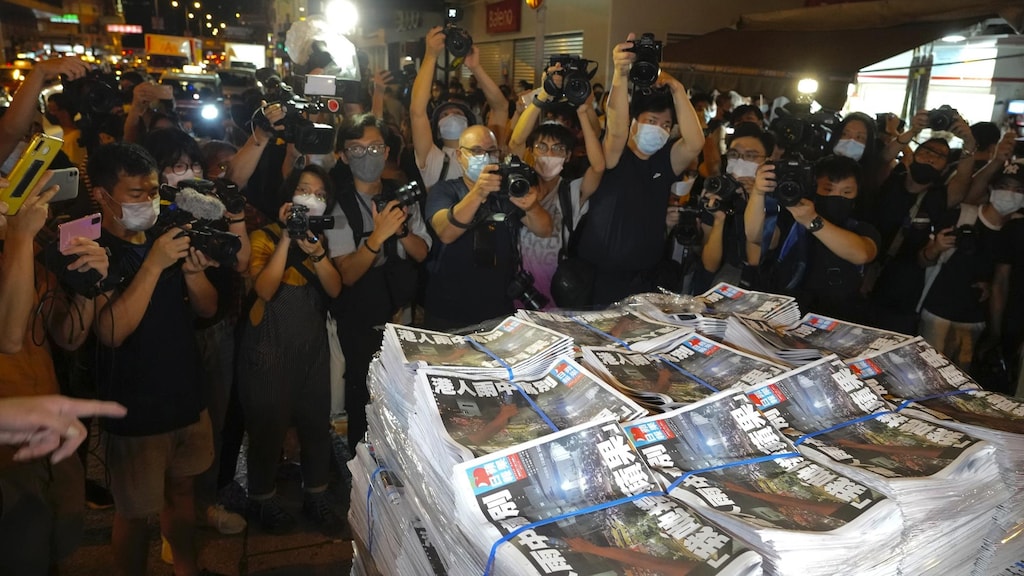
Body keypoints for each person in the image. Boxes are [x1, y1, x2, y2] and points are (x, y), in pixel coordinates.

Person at [88, 142, 223, 576]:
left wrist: (193, 274)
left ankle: (187, 568)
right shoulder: (93, 250)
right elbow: (110, 332)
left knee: (182, 494)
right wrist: (152, 265)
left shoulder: (167, 231)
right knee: (134, 512)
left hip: (185, 395)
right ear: (102, 195)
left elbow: (206, 309)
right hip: (133, 409)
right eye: (134, 194)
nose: (147, 202)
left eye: (152, 191)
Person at [0, 173, 119, 574]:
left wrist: (90, 285)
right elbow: (10, 337)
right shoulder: (21, 243)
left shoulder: (29, 248)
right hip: (8, 449)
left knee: (57, 546)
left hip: (52, 432)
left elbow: (67, 337)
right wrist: (18, 238)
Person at [238, 164, 344, 535]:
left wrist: (315, 254)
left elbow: (333, 289)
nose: (310, 198)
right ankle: (262, 499)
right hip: (269, 346)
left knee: (316, 424)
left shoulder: (318, 241)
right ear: (288, 196)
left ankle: (315, 494)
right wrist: (286, 237)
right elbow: (264, 289)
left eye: (319, 194)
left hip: (310, 349)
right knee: (268, 427)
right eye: (304, 189)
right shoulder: (263, 236)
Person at [325, 114, 431, 451]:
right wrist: (377, 236)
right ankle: (362, 462)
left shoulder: (401, 197)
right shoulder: (338, 204)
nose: (366, 156)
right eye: (356, 149)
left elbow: (422, 252)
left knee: (405, 392)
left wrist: (401, 230)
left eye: (373, 147)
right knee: (363, 394)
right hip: (360, 316)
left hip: (401, 311)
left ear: (386, 151)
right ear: (342, 155)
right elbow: (348, 274)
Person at [575, 33, 704, 305]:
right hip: (601, 278)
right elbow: (616, 126)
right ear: (635, 123)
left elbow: (694, 143)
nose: (659, 129)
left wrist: (677, 90)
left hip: (646, 280)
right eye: (652, 120)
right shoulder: (613, 156)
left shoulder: (665, 160)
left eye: (666, 125)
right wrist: (621, 74)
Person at [424, 125, 552, 329]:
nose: (484, 157)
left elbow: (544, 229)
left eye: (491, 151)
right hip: (448, 311)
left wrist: (532, 206)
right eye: (476, 151)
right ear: (459, 155)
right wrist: (478, 193)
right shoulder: (444, 190)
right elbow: (445, 232)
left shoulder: (505, 191)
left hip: (499, 311)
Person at [745, 155, 880, 322]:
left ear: (857, 194)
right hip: (784, 317)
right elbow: (755, 235)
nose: (836, 196)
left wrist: (812, 220)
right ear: (813, 187)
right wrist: (758, 193)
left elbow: (862, 254)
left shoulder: (862, 228)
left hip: (836, 321)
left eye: (846, 192)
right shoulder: (790, 221)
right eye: (828, 189)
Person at [509, 72, 605, 305]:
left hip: (558, 292)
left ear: (569, 155)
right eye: (542, 146)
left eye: (558, 149)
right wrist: (543, 95)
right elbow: (515, 143)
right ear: (531, 151)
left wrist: (583, 110)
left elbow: (598, 166)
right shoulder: (519, 186)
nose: (549, 154)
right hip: (519, 290)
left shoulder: (573, 191)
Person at [410, 26, 508, 190]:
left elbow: (501, 108)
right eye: (445, 115)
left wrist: (476, 68)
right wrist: (430, 56)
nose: (452, 116)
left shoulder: (488, 150)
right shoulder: (433, 159)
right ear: (437, 129)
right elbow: (417, 112)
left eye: (457, 112)